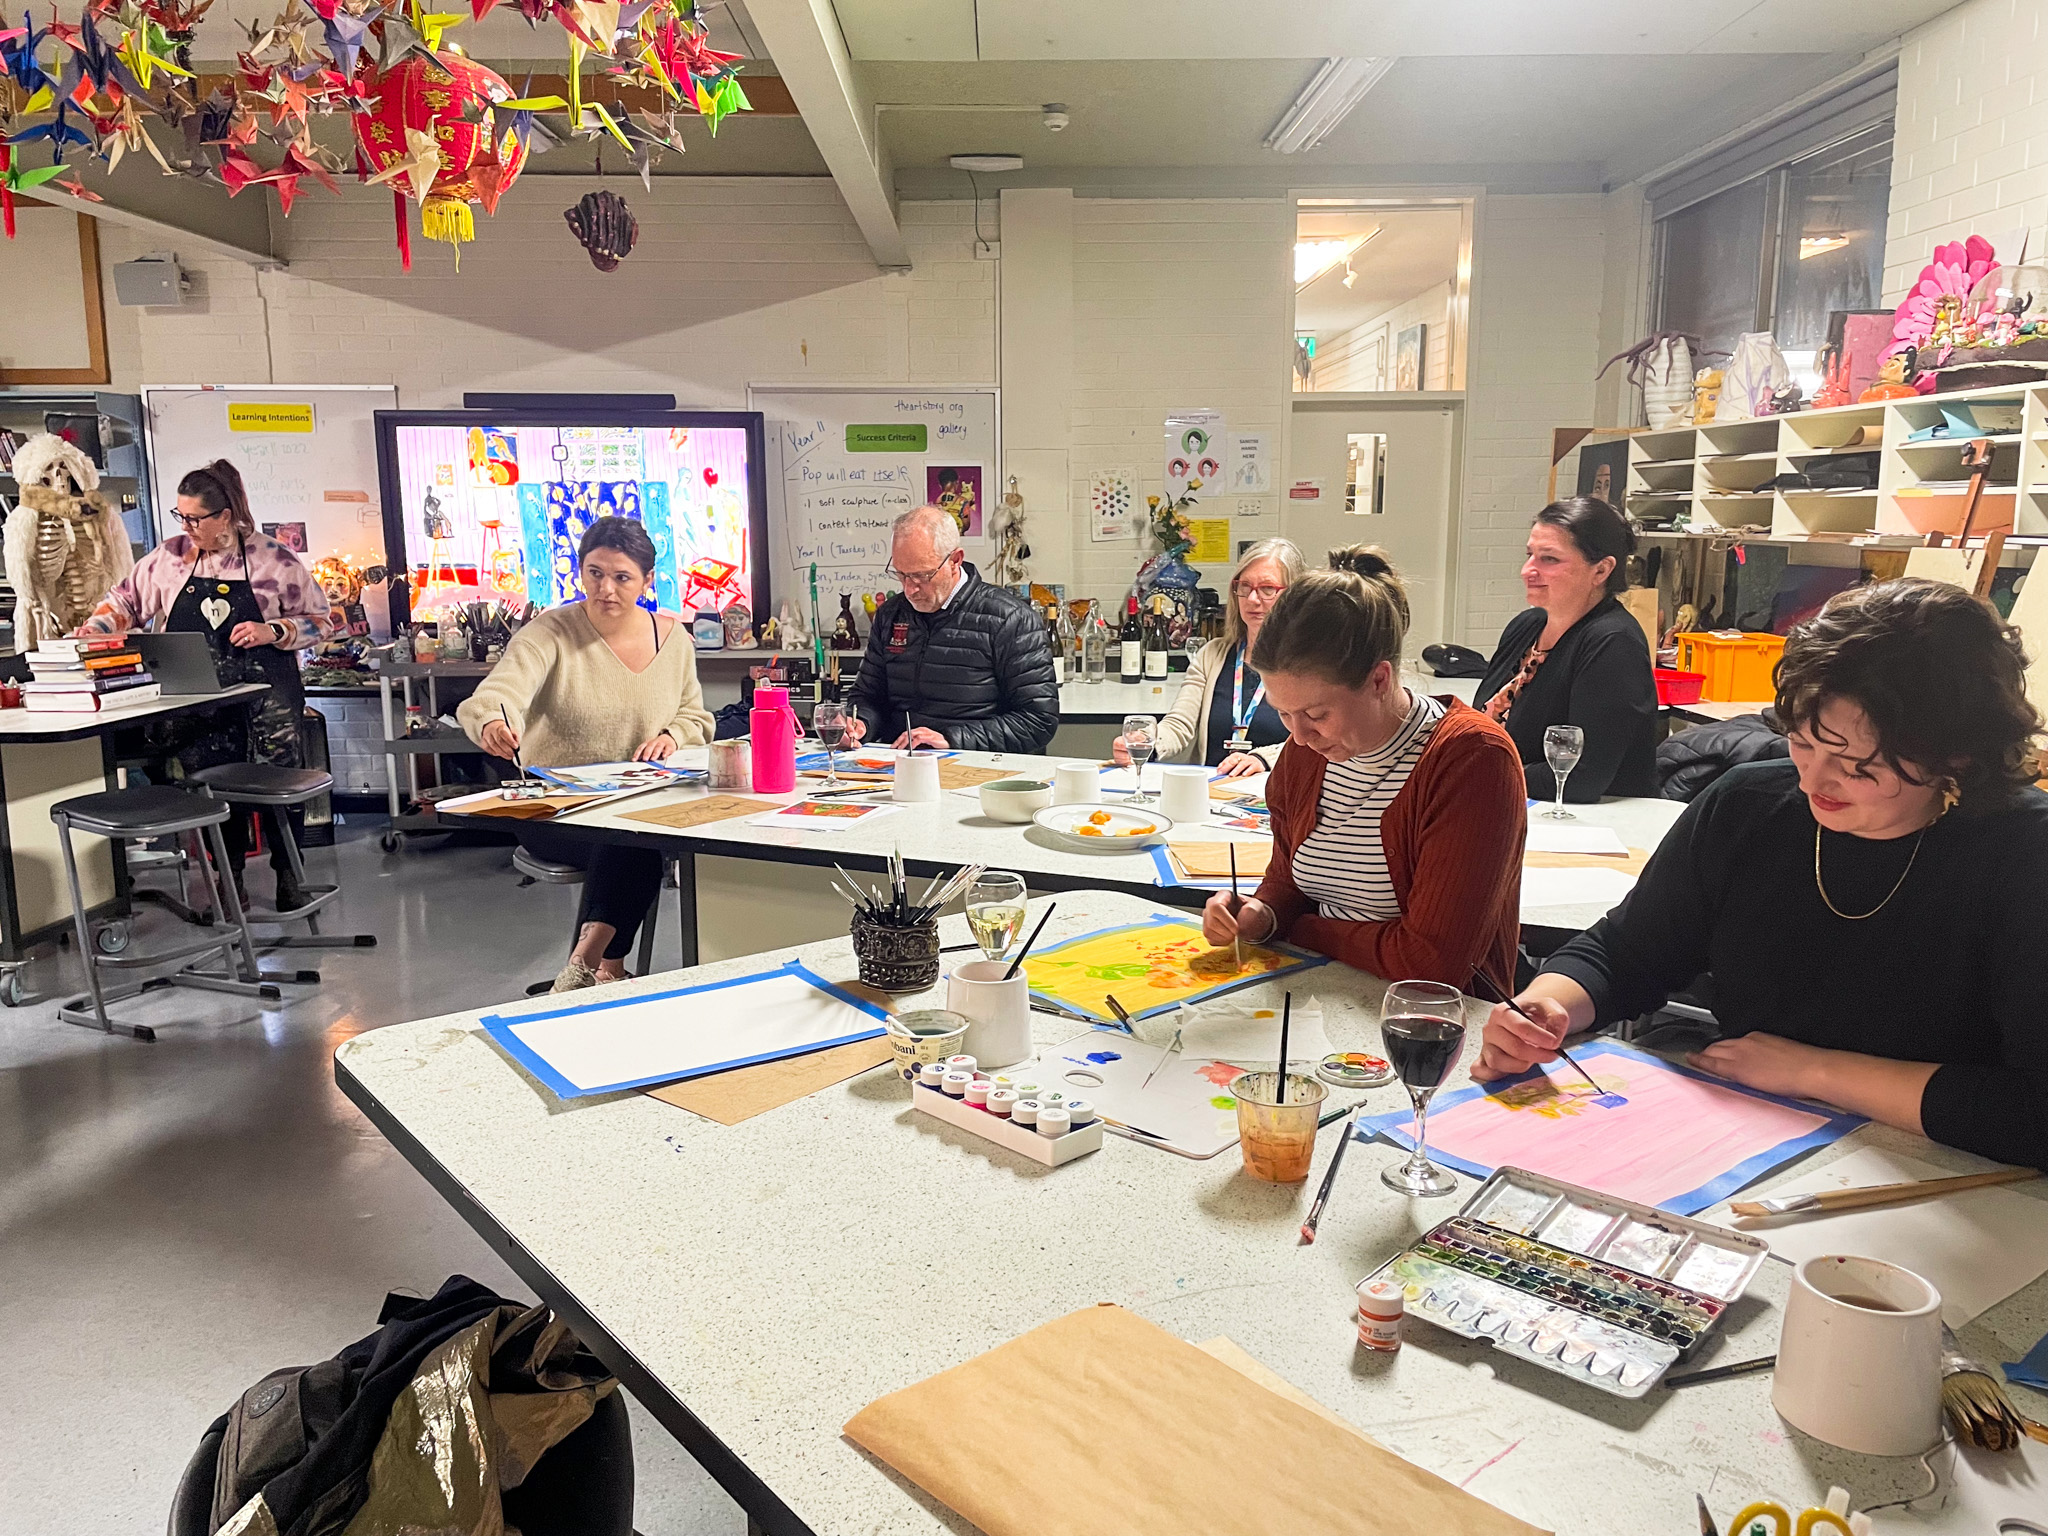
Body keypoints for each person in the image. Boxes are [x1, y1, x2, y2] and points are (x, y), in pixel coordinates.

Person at [1473, 578, 2048, 1172]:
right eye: (1802, 743)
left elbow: (2036, 1112)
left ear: (1956, 754)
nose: (1813, 781)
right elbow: (1626, 951)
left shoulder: (2024, 853)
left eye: (1857, 767)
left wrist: (1814, 1071)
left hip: (1961, 1172)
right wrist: (1548, 1005)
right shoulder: (1750, 806)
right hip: (1756, 1134)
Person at [1200, 547, 1526, 986]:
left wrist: (1296, 929)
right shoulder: (1307, 751)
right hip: (1328, 991)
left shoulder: (1472, 759)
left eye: (1316, 714)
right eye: (1283, 713)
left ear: (1379, 680)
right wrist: (1262, 914)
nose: (1300, 736)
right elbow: (1291, 880)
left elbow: (1429, 963)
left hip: (1428, 1017)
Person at [458, 517, 714, 993]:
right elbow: (499, 692)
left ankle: (586, 970)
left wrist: (673, 735)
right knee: (630, 838)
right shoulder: (549, 632)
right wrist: (493, 721)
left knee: (635, 831)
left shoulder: (673, 639)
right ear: (580, 571)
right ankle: (600, 967)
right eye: (594, 573)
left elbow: (696, 717)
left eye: (622, 577)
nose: (606, 589)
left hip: (639, 800)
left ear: (647, 581)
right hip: (553, 807)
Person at [79, 460, 332, 907]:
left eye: (196, 518)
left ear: (225, 516)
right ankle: (230, 881)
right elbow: (124, 601)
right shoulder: (169, 558)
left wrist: (273, 631)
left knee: (279, 784)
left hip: (268, 698)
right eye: (181, 516)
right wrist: (96, 630)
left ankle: (289, 876)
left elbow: (324, 621)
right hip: (199, 699)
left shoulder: (273, 559)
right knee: (212, 789)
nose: (187, 527)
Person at [1472, 497, 1658, 801]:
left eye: (1549, 559)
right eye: (1530, 555)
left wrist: (1481, 773)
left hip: (1594, 819)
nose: (1527, 570)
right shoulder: (1527, 625)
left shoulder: (1613, 642)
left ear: (1601, 571)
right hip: (1513, 799)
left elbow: (1581, 778)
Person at [843, 505, 1057, 753]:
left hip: (979, 764)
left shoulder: (1011, 619)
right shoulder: (891, 614)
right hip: (900, 761)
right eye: (901, 575)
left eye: (922, 576)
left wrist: (952, 739)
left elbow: (1038, 721)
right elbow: (868, 696)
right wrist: (860, 723)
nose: (910, 589)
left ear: (955, 560)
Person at [1111, 537, 1305, 776]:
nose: (1253, 599)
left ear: (1294, 595)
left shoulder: (1312, 664)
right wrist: (1147, 741)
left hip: (1276, 789)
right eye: (1245, 587)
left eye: (1267, 589)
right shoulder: (1212, 655)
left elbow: (1319, 740)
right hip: (1213, 789)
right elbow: (1180, 724)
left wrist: (1263, 758)